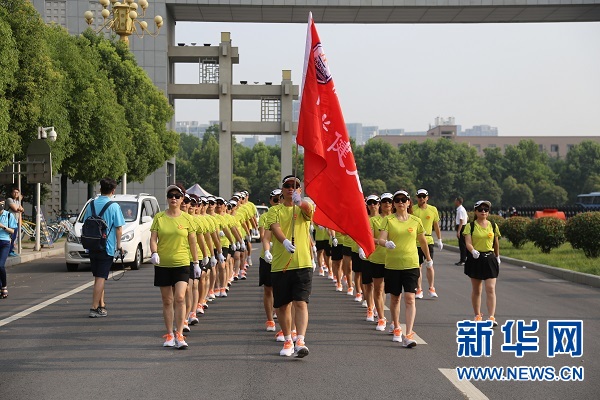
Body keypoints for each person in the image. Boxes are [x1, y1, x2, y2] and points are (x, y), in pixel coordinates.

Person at [377, 190, 432, 348]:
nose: (401, 202)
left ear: (409, 202)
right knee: (395, 298)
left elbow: (422, 242)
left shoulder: (415, 221)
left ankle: (408, 333)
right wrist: (386, 243)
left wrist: (428, 259)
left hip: (411, 264)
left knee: (410, 298)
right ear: (394, 204)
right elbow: (380, 239)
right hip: (393, 264)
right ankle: (396, 327)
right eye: (397, 200)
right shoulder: (388, 220)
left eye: (404, 200)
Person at [268, 175, 314, 358]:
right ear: (282, 189)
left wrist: (300, 202)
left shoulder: (303, 208)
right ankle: (288, 338)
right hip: (281, 264)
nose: (290, 188)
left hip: (302, 262)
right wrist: (285, 241)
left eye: (295, 186)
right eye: (287, 186)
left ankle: (300, 340)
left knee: (301, 302)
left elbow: (310, 211)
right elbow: (275, 228)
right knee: (282, 306)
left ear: (299, 190)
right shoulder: (275, 210)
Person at [150, 184, 200, 349]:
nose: (173, 198)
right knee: (167, 300)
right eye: (171, 195)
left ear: (182, 199)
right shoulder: (159, 217)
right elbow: (153, 238)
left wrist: (196, 262)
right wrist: (154, 252)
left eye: (177, 196)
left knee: (179, 297)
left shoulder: (187, 219)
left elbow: (193, 241)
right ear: (167, 198)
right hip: (163, 263)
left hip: (182, 262)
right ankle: (169, 334)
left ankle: (179, 333)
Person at [84, 178, 125, 318]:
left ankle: (102, 305)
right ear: (113, 191)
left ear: (100, 188)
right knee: (101, 277)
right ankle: (94, 307)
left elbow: (85, 223)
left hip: (92, 245)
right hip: (106, 246)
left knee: (98, 277)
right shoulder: (114, 206)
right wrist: (119, 246)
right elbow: (119, 229)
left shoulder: (91, 204)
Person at [463, 200, 501, 327]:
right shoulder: (471, 226)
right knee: (477, 290)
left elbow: (496, 242)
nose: (483, 211)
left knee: (490, 288)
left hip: (489, 258)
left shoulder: (493, 225)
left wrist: (497, 256)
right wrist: (472, 251)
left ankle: (491, 317)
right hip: (476, 258)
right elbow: (468, 242)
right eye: (480, 209)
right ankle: (477, 315)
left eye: (486, 209)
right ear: (476, 211)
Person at [411, 189, 442, 299]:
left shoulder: (433, 209)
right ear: (416, 198)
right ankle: (419, 289)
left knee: (429, 264)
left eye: (424, 196)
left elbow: (436, 225)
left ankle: (431, 287)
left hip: (428, 239)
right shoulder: (413, 209)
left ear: (427, 198)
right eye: (420, 196)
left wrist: (439, 239)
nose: (422, 198)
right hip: (415, 241)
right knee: (418, 266)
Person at [259, 188, 281, 332]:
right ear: (270, 201)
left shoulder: (289, 214)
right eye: (275, 199)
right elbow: (262, 235)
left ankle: (284, 323)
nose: (278, 202)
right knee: (268, 289)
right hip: (267, 257)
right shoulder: (266, 216)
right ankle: (270, 320)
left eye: (281, 199)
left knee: (281, 291)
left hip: (283, 257)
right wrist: (268, 246)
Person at [0, 197, 18, 299]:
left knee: (0, 265)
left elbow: (12, 231)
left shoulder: (8, 215)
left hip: (4, 242)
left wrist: (3, 226)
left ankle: (4, 286)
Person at [4, 187, 24, 257]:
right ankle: (8, 251)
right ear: (11, 193)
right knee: (10, 237)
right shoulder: (9, 200)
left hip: (16, 221)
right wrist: (19, 208)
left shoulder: (17, 201)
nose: (16, 194)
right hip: (9, 221)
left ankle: (11, 250)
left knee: (14, 237)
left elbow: (22, 210)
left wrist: (20, 221)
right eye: (14, 192)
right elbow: (16, 209)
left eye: (17, 192)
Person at [454, 196, 468, 266]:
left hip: (462, 227)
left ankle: (463, 260)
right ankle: (463, 259)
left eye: (455, 201)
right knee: (462, 244)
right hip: (462, 227)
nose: (454, 202)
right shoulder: (460, 209)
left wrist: (459, 231)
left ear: (458, 202)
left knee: (462, 245)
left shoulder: (461, 210)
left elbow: (461, 221)